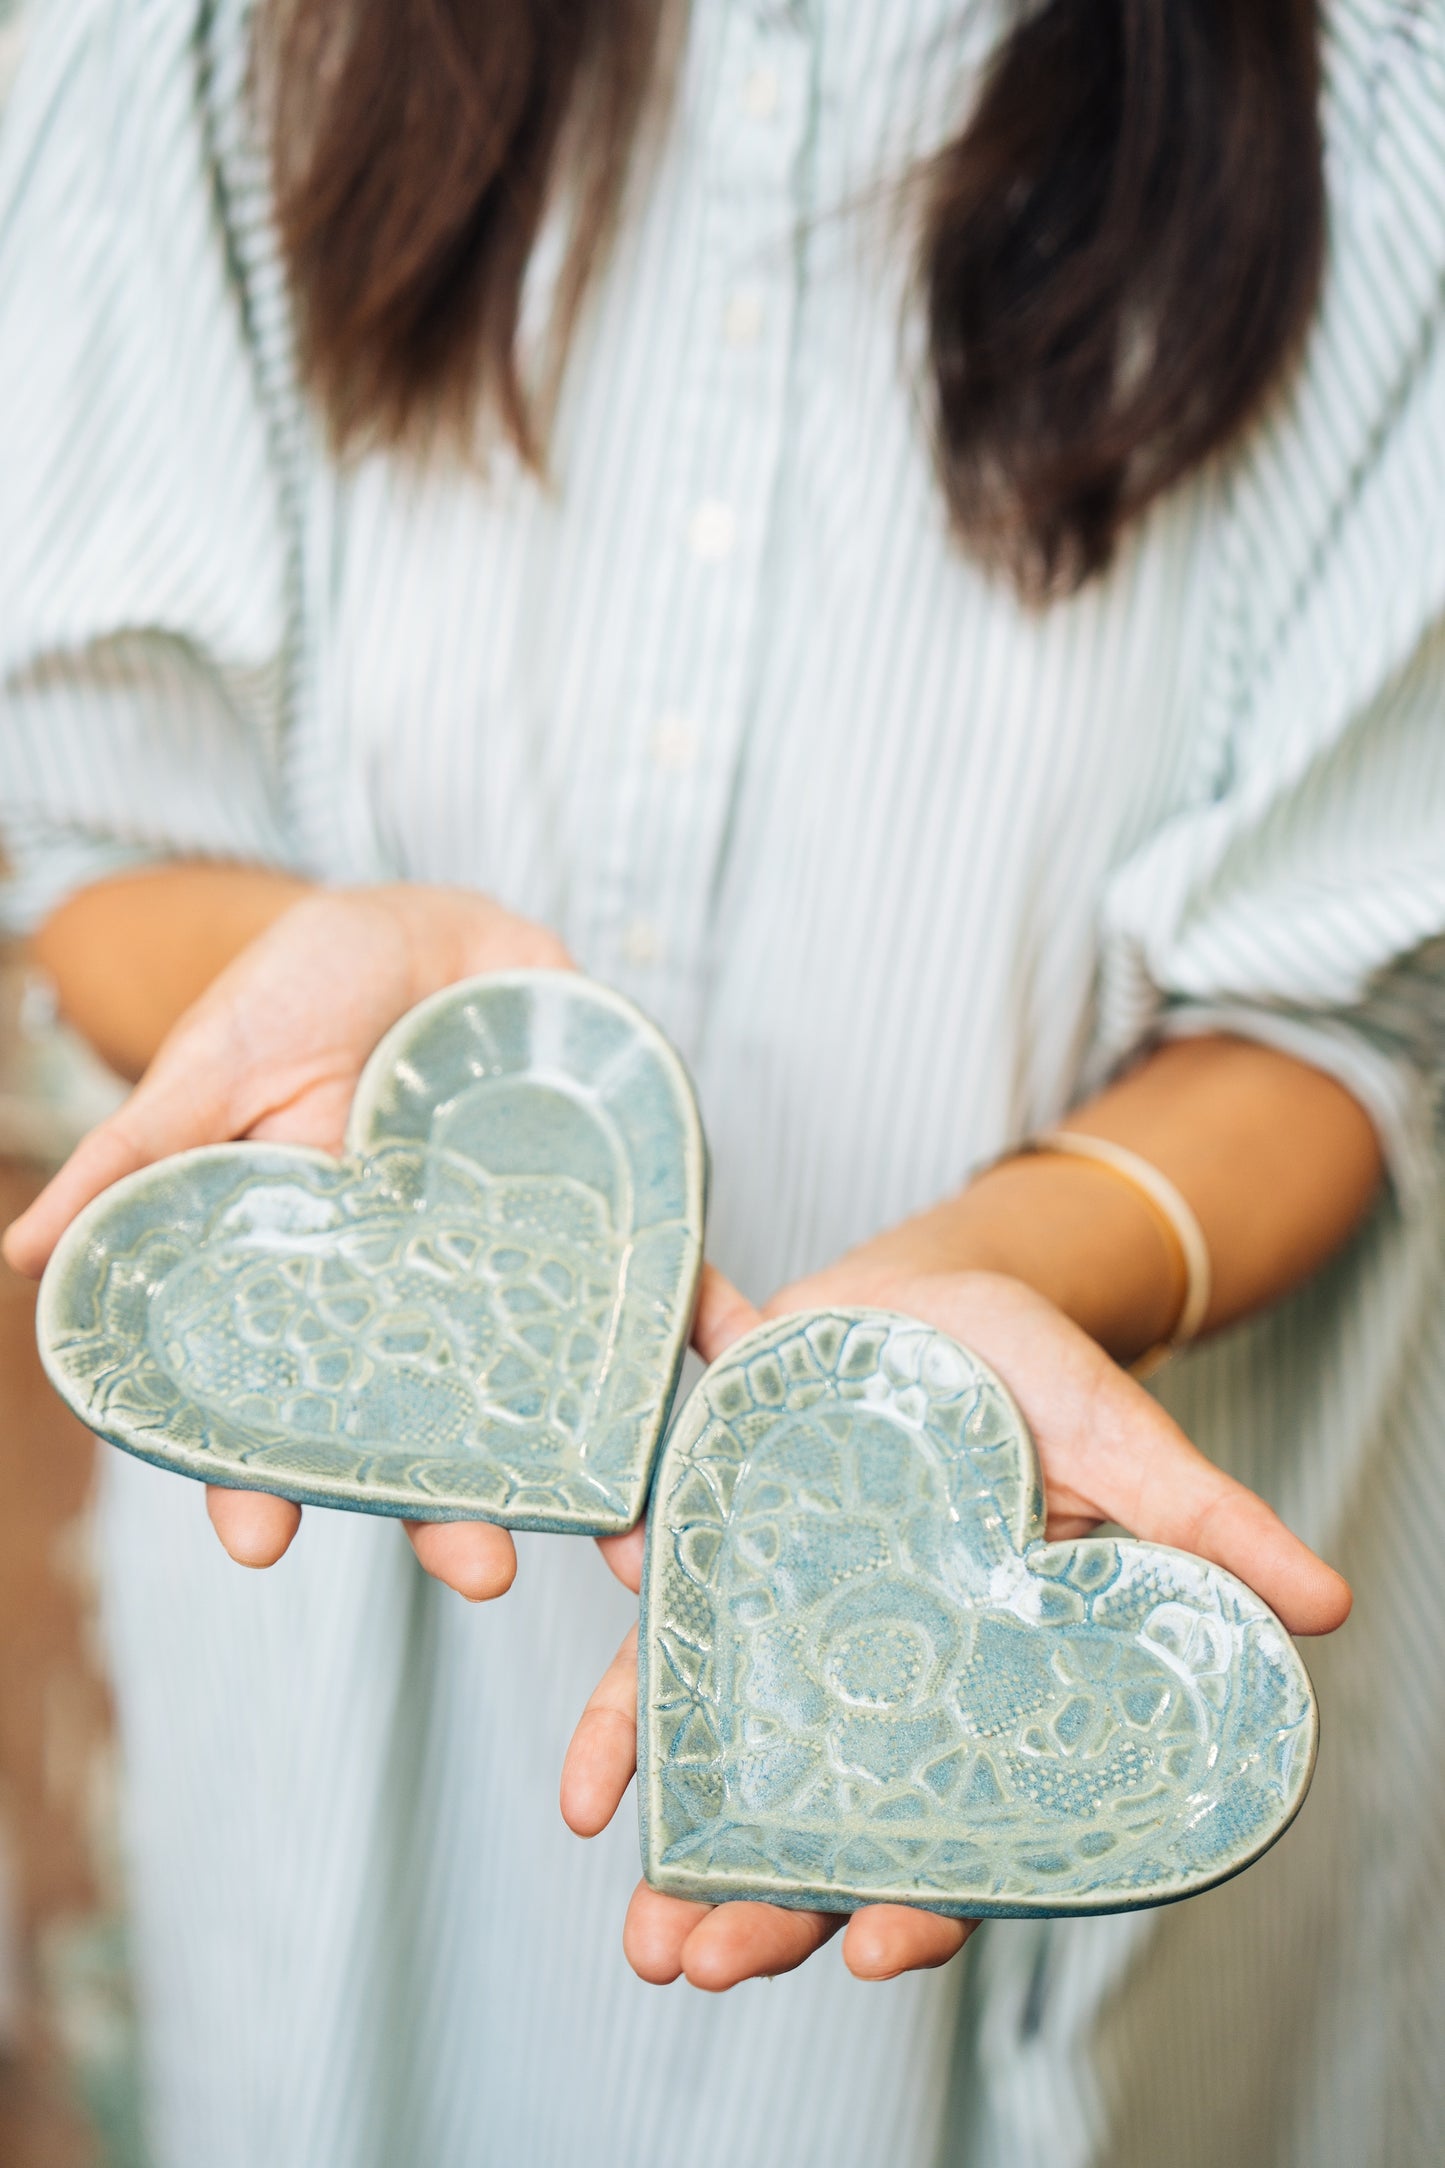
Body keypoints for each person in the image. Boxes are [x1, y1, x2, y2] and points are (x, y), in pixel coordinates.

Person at [1, 0, 1442, 2161]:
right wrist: (389, 1049)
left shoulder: (1390, 123)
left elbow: (1351, 1006)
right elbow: (99, 814)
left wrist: (1015, 1265)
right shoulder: (210, 48)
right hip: (359, 1616)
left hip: (1075, 1603)